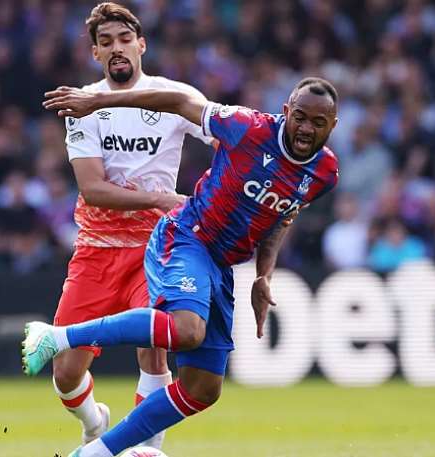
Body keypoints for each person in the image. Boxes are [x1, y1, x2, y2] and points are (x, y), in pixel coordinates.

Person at [25, 76, 340, 457]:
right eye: (300, 117)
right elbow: (176, 101)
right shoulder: (247, 126)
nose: (306, 129)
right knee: (187, 330)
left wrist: (263, 274)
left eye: (317, 123)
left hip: (222, 263)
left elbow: (281, 217)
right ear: (286, 112)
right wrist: (97, 103)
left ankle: (94, 454)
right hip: (188, 236)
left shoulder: (325, 173)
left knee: (204, 387)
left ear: (332, 126)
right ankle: (58, 337)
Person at [42, 2, 212, 448]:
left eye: (123, 39)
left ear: (141, 45)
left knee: (154, 351)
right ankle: (95, 423)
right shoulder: (84, 104)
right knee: (65, 372)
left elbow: (226, 136)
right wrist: (164, 197)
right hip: (97, 247)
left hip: (157, 247)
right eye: (105, 42)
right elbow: (94, 189)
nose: (115, 48)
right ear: (95, 53)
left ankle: (146, 448)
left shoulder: (173, 95)